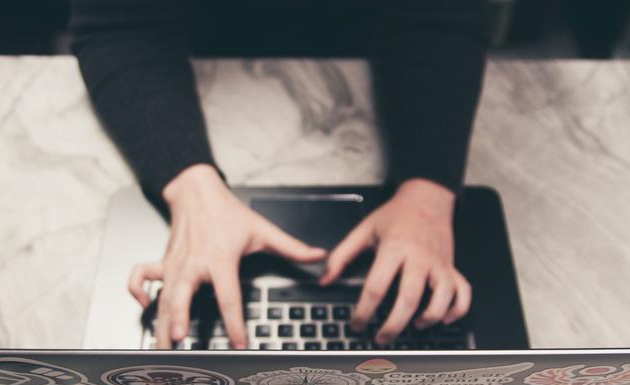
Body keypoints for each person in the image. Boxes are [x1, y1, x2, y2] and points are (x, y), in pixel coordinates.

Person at [70, 0, 488, 349]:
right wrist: (189, 185)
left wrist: (428, 190)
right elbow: (119, 25)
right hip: (191, 47)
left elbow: (442, 16)